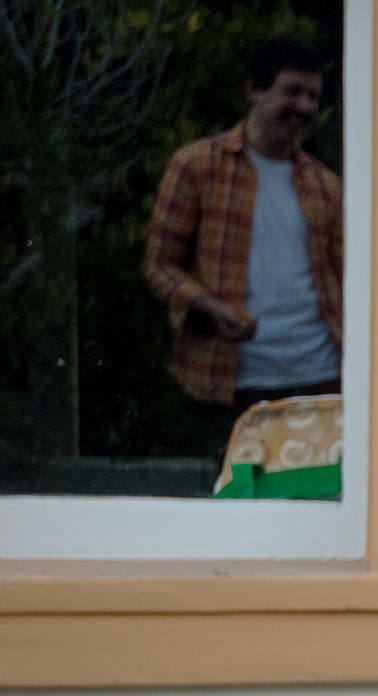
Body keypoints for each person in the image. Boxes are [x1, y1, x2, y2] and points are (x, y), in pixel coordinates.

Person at [143, 34, 343, 473]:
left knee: (318, 500)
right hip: (230, 380)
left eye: (313, 96)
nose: (305, 106)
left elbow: (350, 278)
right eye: (292, 91)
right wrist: (207, 305)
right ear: (254, 90)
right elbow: (159, 263)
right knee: (238, 503)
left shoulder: (325, 185)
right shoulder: (196, 166)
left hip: (322, 378)